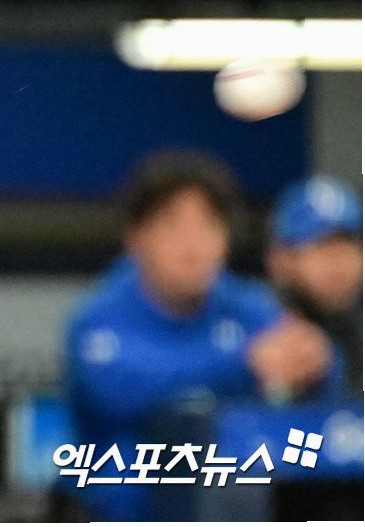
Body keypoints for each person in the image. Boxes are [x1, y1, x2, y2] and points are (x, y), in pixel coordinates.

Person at [64, 150, 339, 522]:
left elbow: (326, 377)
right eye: (173, 225)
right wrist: (243, 365)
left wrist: (316, 361)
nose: (192, 244)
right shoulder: (99, 317)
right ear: (136, 236)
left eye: (208, 224)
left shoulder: (249, 307)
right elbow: (119, 391)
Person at [267, 174, 362, 394]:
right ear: (281, 259)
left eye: (348, 246)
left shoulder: (357, 321)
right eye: (322, 246)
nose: (339, 262)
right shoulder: (254, 321)